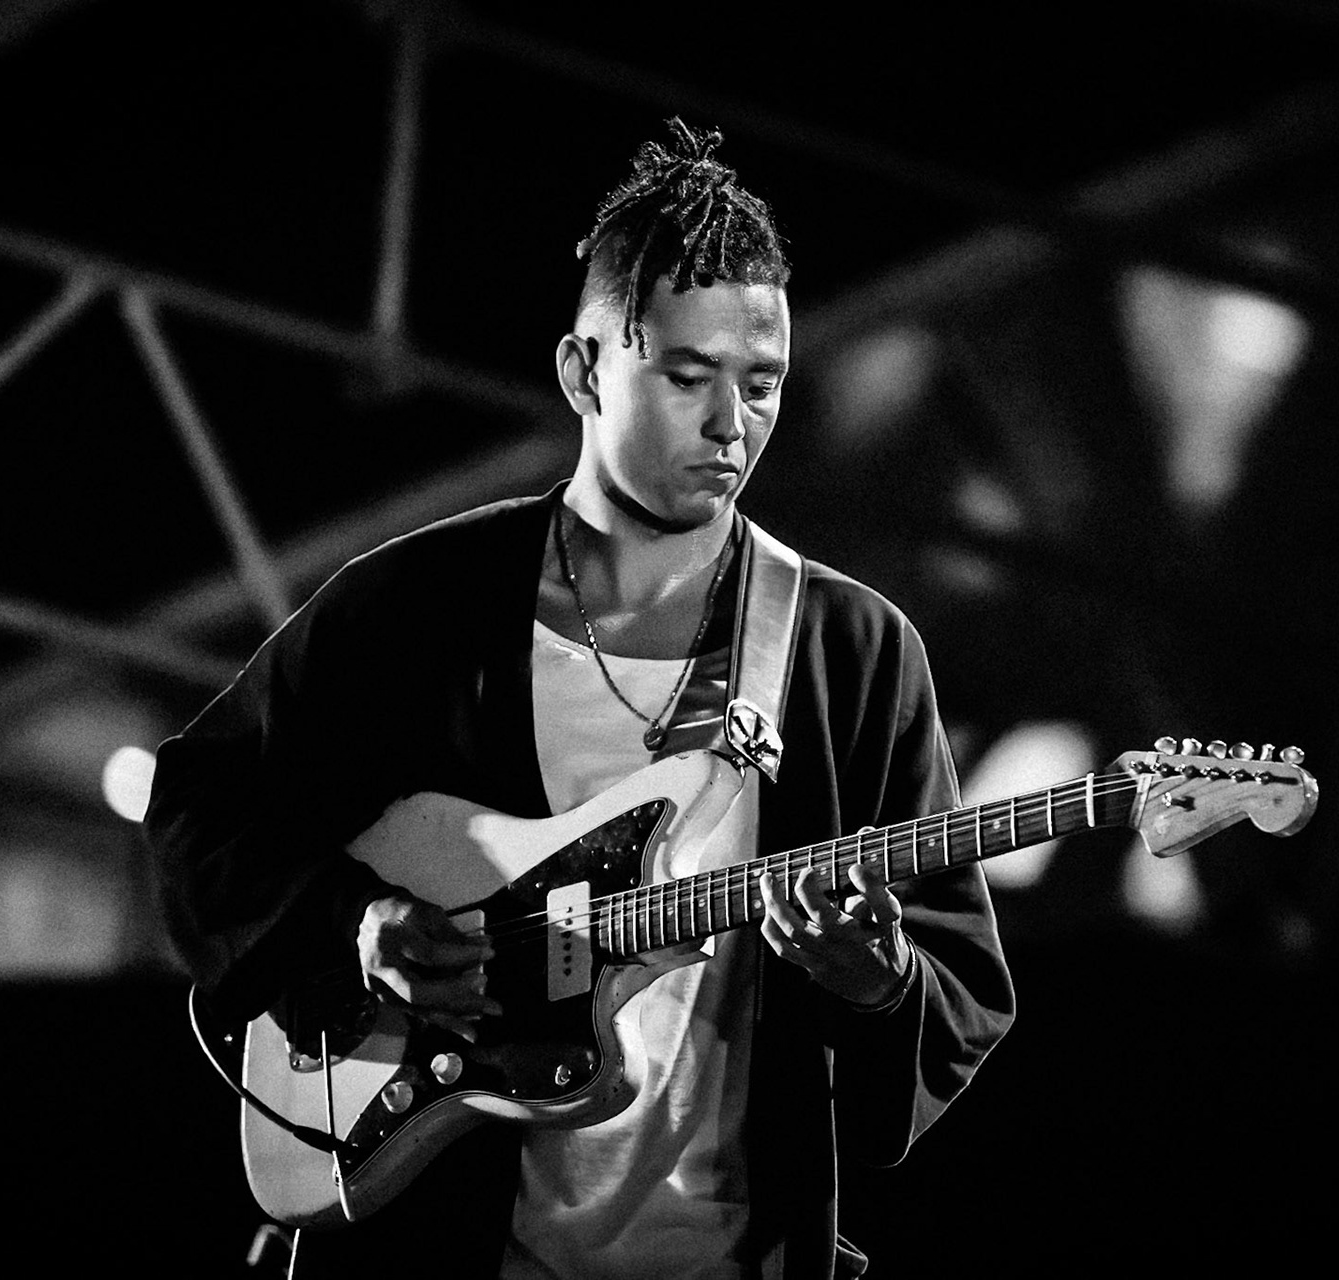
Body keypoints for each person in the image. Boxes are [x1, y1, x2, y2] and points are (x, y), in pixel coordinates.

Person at [144, 118, 1014, 1279]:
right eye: (687, 375)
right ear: (584, 370)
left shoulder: (848, 649)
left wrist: (878, 981)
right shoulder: (414, 606)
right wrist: (354, 925)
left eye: (762, 384)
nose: (730, 425)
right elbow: (202, 805)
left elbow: (955, 987)